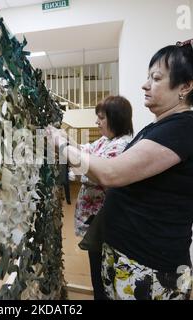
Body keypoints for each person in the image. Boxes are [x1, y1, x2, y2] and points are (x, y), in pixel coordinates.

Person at [48, 38, 193, 300]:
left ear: (186, 86)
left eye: (155, 78)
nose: (145, 84)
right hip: (126, 258)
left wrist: (62, 146)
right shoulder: (158, 129)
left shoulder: (186, 131)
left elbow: (110, 173)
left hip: (150, 268)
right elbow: (98, 161)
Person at [70, 96, 133, 300]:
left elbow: (94, 173)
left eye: (101, 118)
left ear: (115, 119)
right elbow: (83, 151)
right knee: (96, 266)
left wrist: (63, 148)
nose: (97, 122)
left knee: (103, 272)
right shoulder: (105, 141)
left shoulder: (122, 145)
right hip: (95, 220)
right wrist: (62, 140)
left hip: (106, 222)